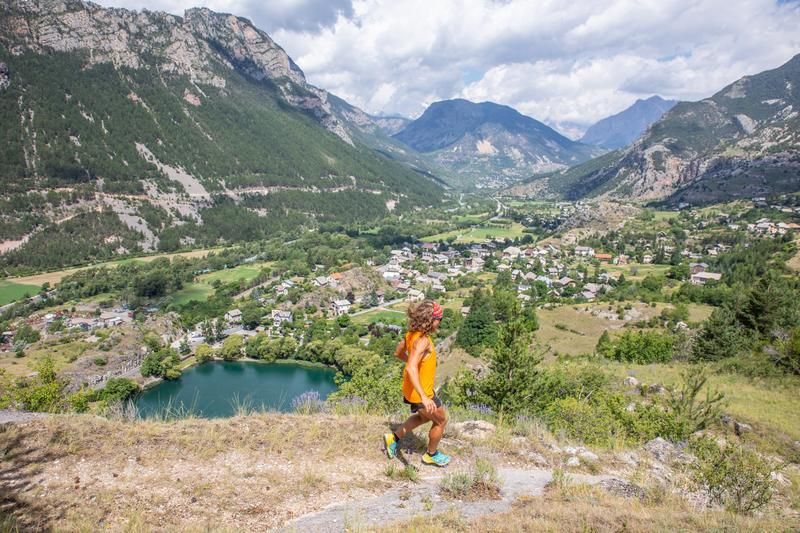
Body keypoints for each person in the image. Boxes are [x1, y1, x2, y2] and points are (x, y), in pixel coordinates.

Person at [383, 300, 451, 467]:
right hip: (422, 393)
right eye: (439, 319)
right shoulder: (423, 341)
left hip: (411, 389)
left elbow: (398, 353)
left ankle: (394, 437)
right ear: (431, 320)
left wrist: (414, 365)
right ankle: (431, 454)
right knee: (441, 421)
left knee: (423, 417)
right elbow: (411, 367)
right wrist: (424, 397)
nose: (439, 323)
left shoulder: (411, 334)